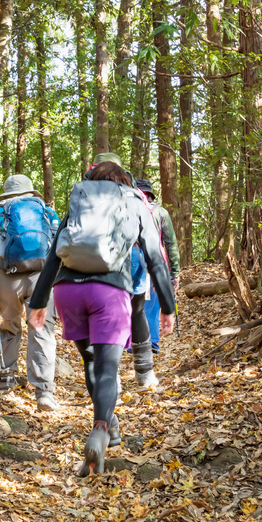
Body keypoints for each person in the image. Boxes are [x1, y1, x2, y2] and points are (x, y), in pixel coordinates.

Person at [28, 161, 175, 476]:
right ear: (126, 181)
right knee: (107, 368)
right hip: (109, 292)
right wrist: (167, 304)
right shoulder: (135, 201)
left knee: (91, 362)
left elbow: (56, 250)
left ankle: (113, 428)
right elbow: (154, 255)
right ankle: (100, 429)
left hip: (68, 291)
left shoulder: (81, 198)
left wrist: (39, 301)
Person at [0, 174, 61, 411]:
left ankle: (6, 378)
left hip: (8, 279)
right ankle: (44, 391)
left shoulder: (0, 213)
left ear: (7, 193)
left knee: (9, 325)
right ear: (30, 192)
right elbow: (59, 245)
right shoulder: (46, 211)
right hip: (42, 278)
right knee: (42, 329)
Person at [91, 155, 158, 388]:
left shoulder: (85, 191)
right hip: (133, 256)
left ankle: (113, 376)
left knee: (105, 317)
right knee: (136, 311)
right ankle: (145, 373)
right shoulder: (132, 190)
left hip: (96, 259)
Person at [134, 178, 180, 355]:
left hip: (131, 260)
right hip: (155, 259)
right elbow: (171, 243)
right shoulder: (161, 212)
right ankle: (151, 341)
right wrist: (174, 272)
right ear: (150, 195)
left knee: (132, 300)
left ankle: (133, 342)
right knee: (152, 304)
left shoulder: (128, 209)